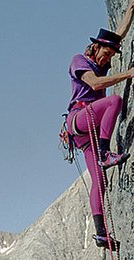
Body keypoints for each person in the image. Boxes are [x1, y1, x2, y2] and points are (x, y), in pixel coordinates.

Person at [66, 1, 134, 251]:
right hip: (80, 119)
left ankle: (101, 234)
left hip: (87, 133)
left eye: (112, 54)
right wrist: (128, 74)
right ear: (96, 47)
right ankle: (106, 153)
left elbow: (119, 35)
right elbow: (94, 85)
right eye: (107, 53)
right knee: (113, 100)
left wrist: (128, 12)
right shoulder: (79, 61)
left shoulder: (101, 59)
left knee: (99, 181)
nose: (109, 57)